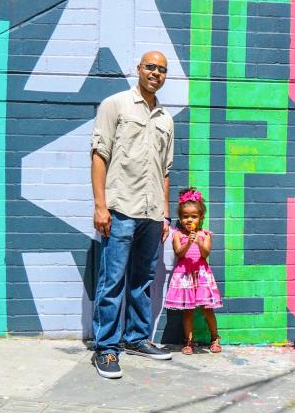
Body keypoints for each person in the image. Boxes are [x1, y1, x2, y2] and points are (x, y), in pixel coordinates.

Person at [90, 51, 174, 379]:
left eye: (162, 69)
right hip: (121, 208)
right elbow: (99, 155)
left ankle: (137, 338)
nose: (156, 73)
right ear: (138, 69)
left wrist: (165, 214)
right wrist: (100, 205)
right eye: (150, 67)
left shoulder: (166, 118)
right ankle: (106, 348)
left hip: (152, 213)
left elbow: (165, 169)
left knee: (143, 280)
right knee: (112, 281)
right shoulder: (116, 105)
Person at [165, 188, 223, 355]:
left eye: (193, 216)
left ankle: (215, 338)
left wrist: (198, 242)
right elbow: (179, 253)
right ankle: (189, 341)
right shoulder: (177, 235)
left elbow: (205, 254)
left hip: (201, 274)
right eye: (185, 216)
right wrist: (188, 243)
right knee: (188, 311)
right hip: (184, 275)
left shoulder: (205, 235)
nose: (189, 220)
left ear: (200, 218)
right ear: (180, 218)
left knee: (207, 309)